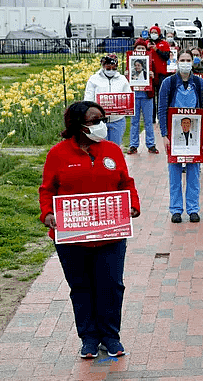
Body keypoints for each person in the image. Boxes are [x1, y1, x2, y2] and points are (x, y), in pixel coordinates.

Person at [39, 101, 141, 359]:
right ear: (78, 125)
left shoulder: (112, 150)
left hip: (110, 234)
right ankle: (89, 338)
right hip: (72, 237)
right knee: (81, 287)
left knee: (111, 285)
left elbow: (125, 182)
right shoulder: (58, 154)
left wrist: (133, 204)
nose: (101, 125)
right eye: (94, 120)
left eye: (102, 119)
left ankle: (110, 336)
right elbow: (47, 190)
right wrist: (48, 213)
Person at [159, 49, 203, 223]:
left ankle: (193, 209)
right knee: (174, 173)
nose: (186, 62)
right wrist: (164, 134)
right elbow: (162, 110)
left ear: (193, 62)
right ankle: (176, 210)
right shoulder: (168, 83)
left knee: (193, 173)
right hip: (174, 135)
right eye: (182, 59)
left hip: (195, 134)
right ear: (177, 61)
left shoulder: (199, 83)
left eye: (188, 59)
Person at [83, 54, 132, 146]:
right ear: (103, 66)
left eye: (114, 68)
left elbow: (128, 97)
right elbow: (88, 100)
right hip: (99, 121)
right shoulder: (94, 79)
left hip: (117, 120)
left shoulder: (122, 79)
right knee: (99, 148)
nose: (111, 70)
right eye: (108, 68)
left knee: (115, 147)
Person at [127, 40, 159, 155]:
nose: (140, 50)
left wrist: (153, 76)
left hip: (147, 96)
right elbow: (126, 82)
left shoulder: (151, 62)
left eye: (142, 48)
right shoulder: (130, 63)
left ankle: (151, 144)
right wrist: (127, 76)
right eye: (138, 48)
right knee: (134, 121)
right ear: (134, 50)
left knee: (148, 121)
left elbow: (156, 82)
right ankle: (133, 145)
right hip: (135, 95)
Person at [147, 25, 171, 123]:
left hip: (161, 73)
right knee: (151, 96)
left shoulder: (164, 44)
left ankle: (161, 116)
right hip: (150, 74)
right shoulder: (147, 44)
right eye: (152, 32)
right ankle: (152, 117)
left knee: (161, 96)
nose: (153, 34)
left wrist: (156, 49)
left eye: (155, 32)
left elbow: (166, 56)